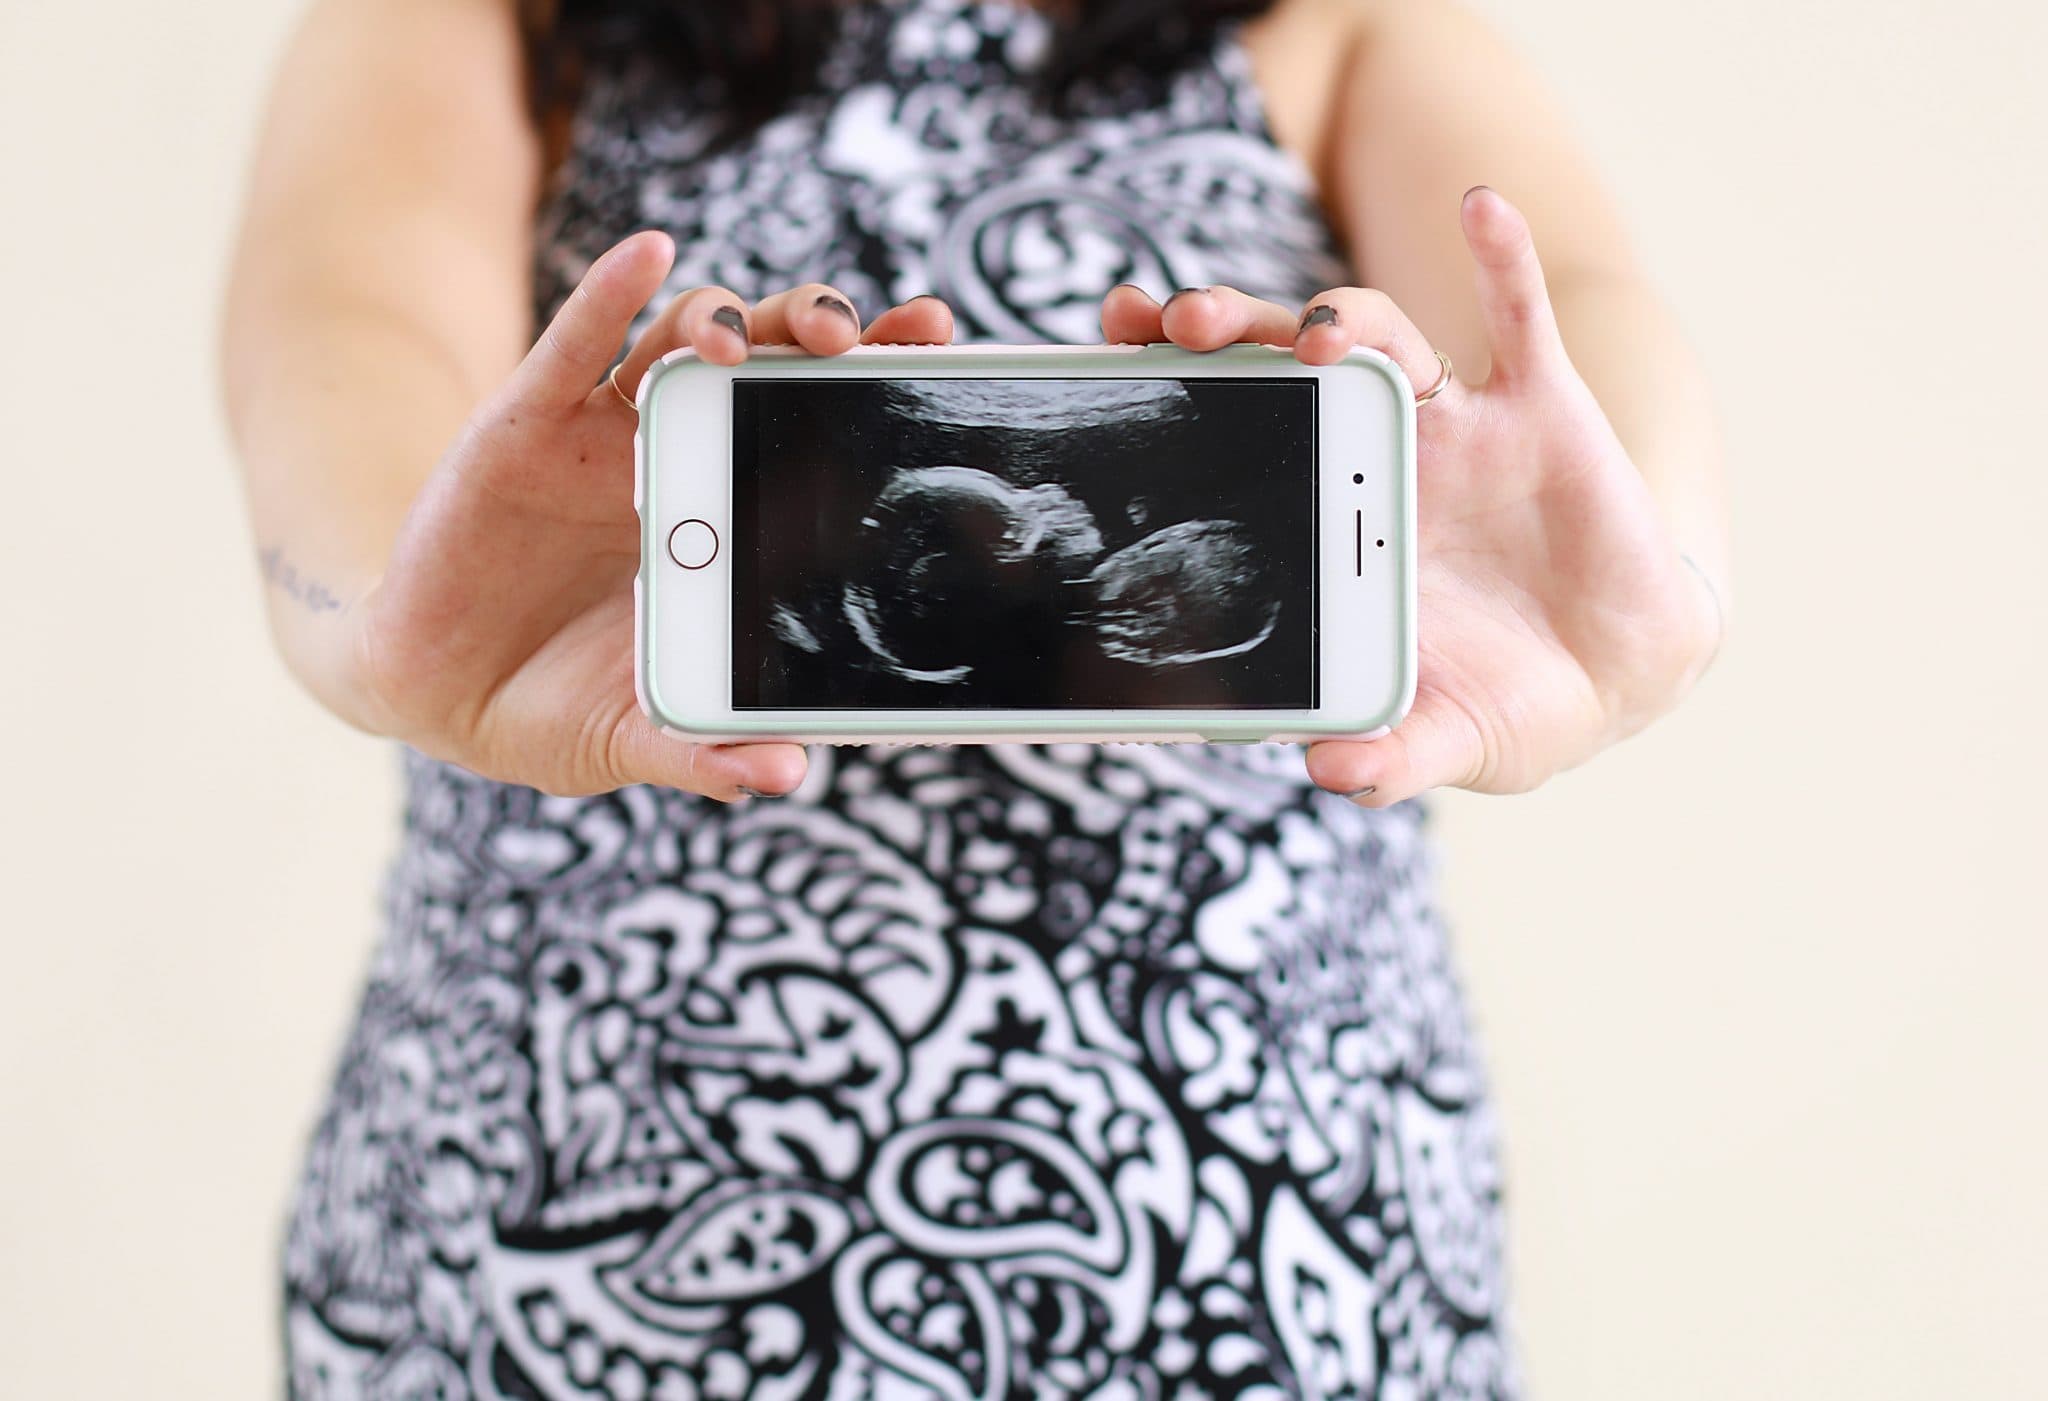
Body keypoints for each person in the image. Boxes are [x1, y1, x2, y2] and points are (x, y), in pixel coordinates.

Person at [223, 0, 1725, 1394]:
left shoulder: (1339, 23)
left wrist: (1648, 559)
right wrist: (379, 618)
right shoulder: (480, 20)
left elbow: (1576, 306)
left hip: (1258, 1231)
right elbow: (347, 326)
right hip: (571, 1232)